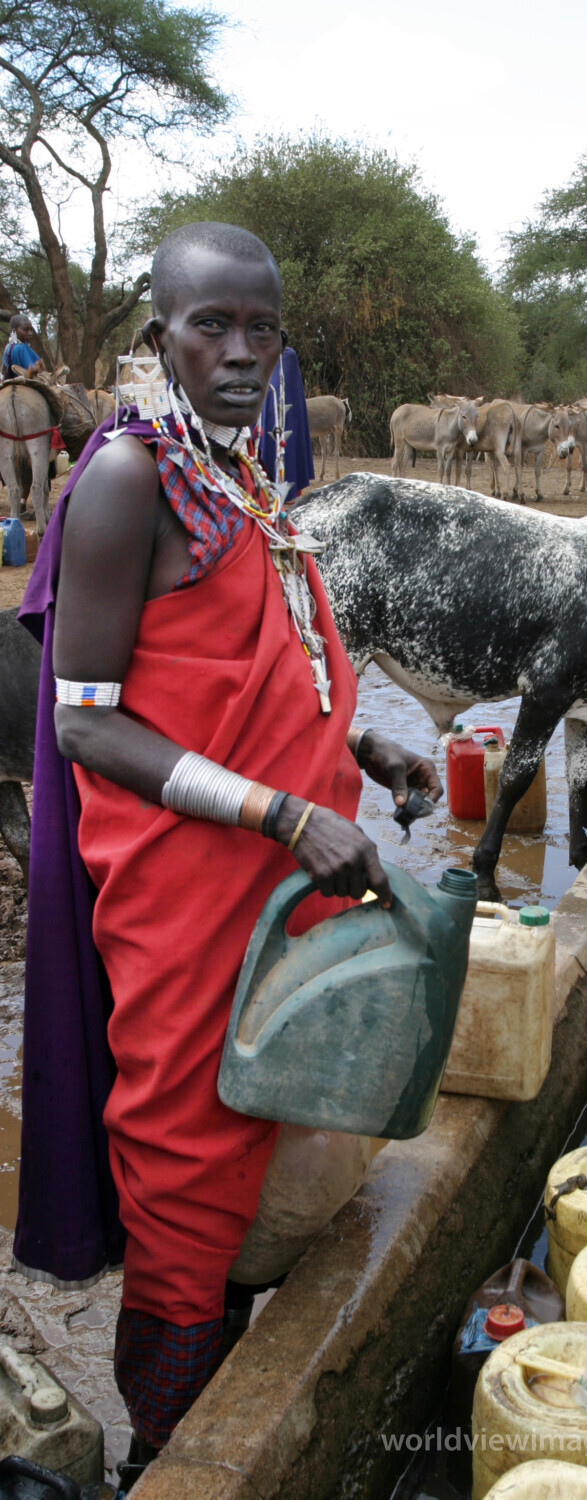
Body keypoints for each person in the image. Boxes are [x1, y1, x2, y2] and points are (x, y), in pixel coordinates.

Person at [13, 221, 441, 1487]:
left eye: (263, 328)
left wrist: (357, 746)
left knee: (268, 1110)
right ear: (162, 339)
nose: (242, 351)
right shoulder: (125, 484)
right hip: (190, 887)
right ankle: (172, 1443)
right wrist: (278, 814)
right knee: (186, 1142)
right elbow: (88, 717)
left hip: (284, 876)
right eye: (212, 326)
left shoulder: (245, 479)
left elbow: (246, 668)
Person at [257, 336, 314, 501]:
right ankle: (265, 489)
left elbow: (294, 392)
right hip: (265, 413)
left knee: (289, 447)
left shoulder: (289, 357)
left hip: (288, 417)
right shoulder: (257, 354)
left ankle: (288, 491)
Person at [2, 314, 43, 379]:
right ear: (14, 331)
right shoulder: (21, 348)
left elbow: (4, 370)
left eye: (31, 330)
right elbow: (35, 370)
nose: (30, 333)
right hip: (27, 383)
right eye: (26, 330)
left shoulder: (8, 347)